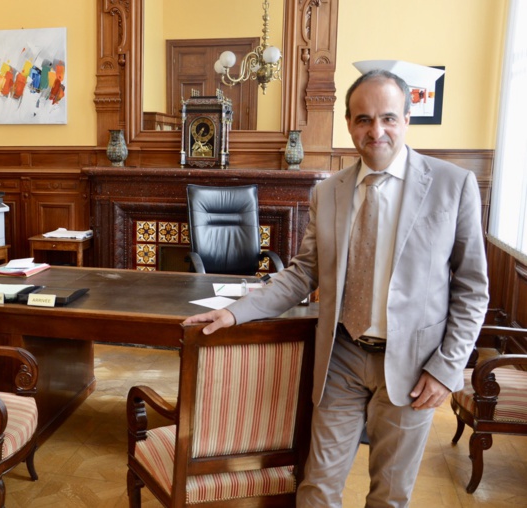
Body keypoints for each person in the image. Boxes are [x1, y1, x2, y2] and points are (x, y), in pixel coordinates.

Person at [183, 69, 489, 507]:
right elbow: (302, 273)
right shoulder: (328, 192)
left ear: (406, 119)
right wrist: (236, 312)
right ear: (349, 123)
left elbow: (473, 289)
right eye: (363, 119)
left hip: (414, 367)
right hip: (341, 357)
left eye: (387, 118)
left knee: (389, 495)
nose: (376, 130)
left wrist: (446, 368)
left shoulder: (452, 185)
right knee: (317, 487)